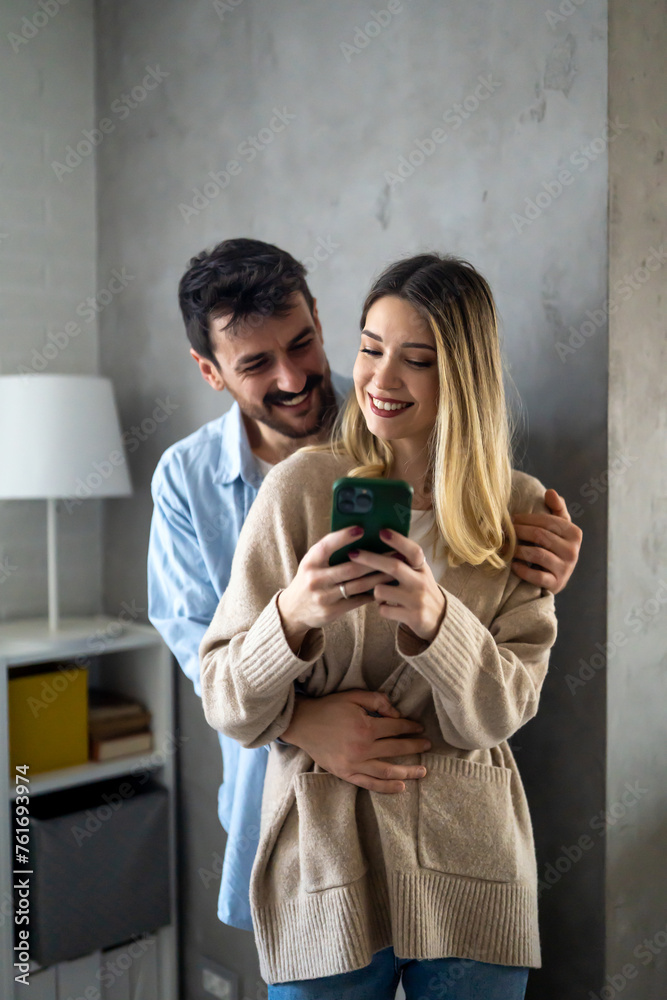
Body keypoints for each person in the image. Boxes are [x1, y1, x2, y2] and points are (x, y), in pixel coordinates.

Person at [147, 239, 582, 938]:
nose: (293, 378)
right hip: (288, 795)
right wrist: (302, 722)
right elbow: (206, 657)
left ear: (320, 320)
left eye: (304, 344)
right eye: (257, 364)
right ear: (210, 370)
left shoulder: (394, 413)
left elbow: (502, 670)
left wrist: (530, 567)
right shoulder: (192, 479)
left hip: (449, 837)